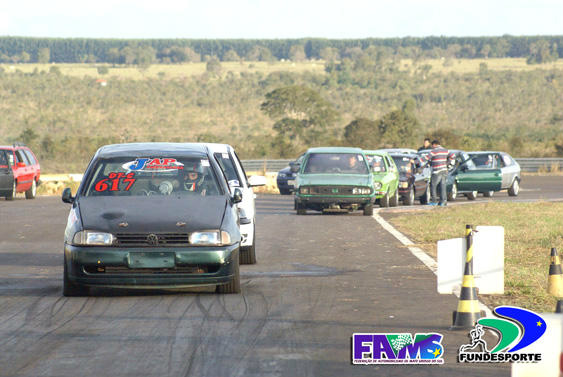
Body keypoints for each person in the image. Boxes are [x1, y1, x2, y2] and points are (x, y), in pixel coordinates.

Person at [417, 140, 455, 206]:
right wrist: (447, 163)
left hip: (436, 171)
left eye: (432, 146)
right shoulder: (445, 150)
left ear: (434, 145)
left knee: (433, 186)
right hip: (444, 170)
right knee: (442, 186)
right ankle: (443, 201)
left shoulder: (434, 151)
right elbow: (453, 156)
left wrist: (415, 161)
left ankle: (434, 201)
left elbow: (426, 158)